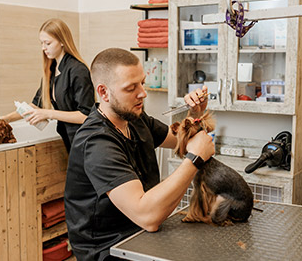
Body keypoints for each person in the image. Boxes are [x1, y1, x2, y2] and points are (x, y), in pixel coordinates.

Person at [64, 48, 215, 261]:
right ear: (103, 92)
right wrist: (195, 159)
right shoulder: (96, 142)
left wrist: (196, 114)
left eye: (142, 83)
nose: (143, 93)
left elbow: (185, 143)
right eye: (131, 88)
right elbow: (148, 216)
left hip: (142, 234)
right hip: (108, 250)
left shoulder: (135, 118)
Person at [0, 18, 95, 152]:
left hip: (86, 140)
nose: (43, 48)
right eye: (42, 43)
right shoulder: (51, 70)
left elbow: (85, 115)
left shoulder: (78, 70)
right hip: (70, 139)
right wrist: (6, 119)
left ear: (62, 41)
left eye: (47, 43)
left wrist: (49, 113)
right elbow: (34, 106)